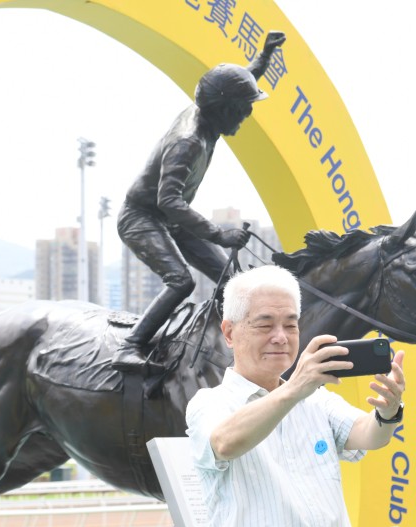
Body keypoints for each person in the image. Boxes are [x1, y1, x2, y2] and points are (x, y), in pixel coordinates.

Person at [185, 265, 406, 527]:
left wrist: (389, 411)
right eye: (265, 323)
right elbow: (224, 442)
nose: (281, 337)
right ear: (229, 333)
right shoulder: (209, 403)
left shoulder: (315, 401)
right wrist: (293, 387)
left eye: (291, 324)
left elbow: (366, 435)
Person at [112, 32, 286, 370]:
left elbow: (235, 82)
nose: (247, 115)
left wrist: (265, 55)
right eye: (243, 110)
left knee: (230, 278)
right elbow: (168, 202)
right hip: (143, 217)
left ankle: (233, 346)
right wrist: (219, 234)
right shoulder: (188, 142)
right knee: (181, 281)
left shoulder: (210, 112)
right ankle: (130, 346)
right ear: (223, 111)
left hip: (170, 217)